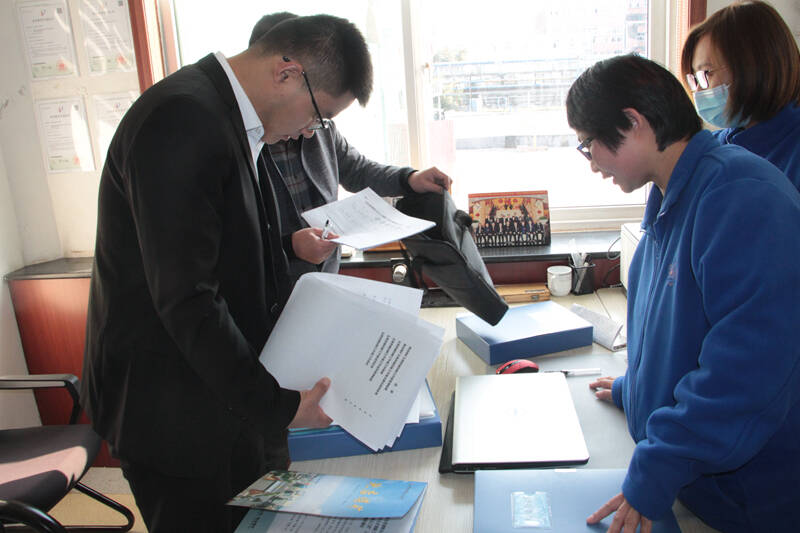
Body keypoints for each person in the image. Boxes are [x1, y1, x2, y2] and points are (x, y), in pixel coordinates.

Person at [82, 15, 376, 532]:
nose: (312, 131)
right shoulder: (181, 119)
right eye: (320, 115)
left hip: (227, 396)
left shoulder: (228, 116)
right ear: (288, 73)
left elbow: (226, 249)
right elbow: (188, 298)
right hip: (175, 414)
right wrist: (278, 406)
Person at [566, 54, 800, 533]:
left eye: (589, 144)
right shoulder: (671, 194)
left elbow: (742, 375)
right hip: (692, 479)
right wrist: (638, 391)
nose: (591, 164)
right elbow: (676, 331)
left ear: (633, 122)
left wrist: (658, 468)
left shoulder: (740, 196)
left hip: (742, 497)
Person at [250, 13, 452, 284]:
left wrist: (409, 179)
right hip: (274, 288)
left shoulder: (321, 127)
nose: (311, 127)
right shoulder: (241, 142)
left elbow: (358, 170)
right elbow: (235, 241)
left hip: (325, 279)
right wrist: (288, 246)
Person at [681, 0, 800, 189]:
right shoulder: (714, 147)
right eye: (694, 79)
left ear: (754, 66)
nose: (699, 92)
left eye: (707, 74)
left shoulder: (792, 151)